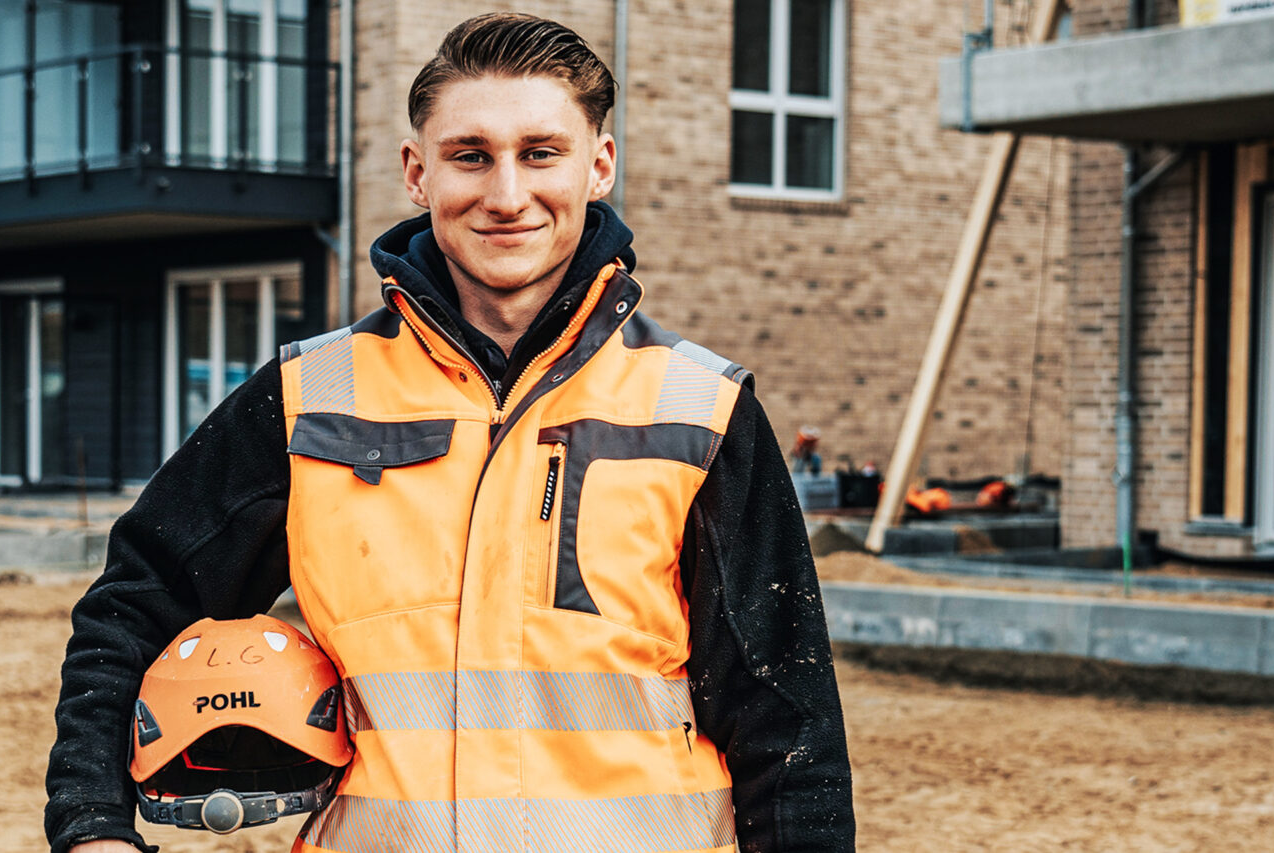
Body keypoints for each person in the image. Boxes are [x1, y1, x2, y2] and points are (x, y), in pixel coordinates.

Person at [47, 13, 852, 852]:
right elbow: (134, 604)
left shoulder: (697, 408)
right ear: (417, 172)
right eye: (470, 155)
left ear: (599, 165)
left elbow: (787, 722)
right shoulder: (307, 398)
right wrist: (91, 822)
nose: (507, 195)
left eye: (540, 152)